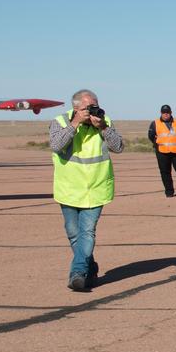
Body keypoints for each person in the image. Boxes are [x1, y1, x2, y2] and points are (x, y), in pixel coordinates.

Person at [49, 89, 124, 291]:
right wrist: (75, 124)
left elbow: (119, 147)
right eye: (87, 108)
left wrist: (104, 129)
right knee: (73, 233)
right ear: (75, 108)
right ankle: (90, 268)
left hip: (96, 187)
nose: (92, 111)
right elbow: (56, 145)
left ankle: (77, 273)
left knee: (87, 232)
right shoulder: (60, 121)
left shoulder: (103, 120)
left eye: (95, 106)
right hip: (70, 188)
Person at [147, 104, 176, 197]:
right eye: (164, 113)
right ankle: (169, 192)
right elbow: (151, 136)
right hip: (162, 152)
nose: (166, 114)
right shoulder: (155, 123)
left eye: (167, 112)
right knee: (165, 172)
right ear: (161, 113)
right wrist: (157, 144)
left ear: (171, 113)